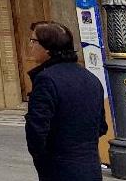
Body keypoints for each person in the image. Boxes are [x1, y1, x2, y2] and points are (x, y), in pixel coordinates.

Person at [25, 21, 108, 181]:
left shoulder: (46, 80)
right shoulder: (91, 78)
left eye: (33, 41)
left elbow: (36, 131)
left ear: (47, 48)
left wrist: (43, 159)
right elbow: (101, 126)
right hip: (90, 167)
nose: (30, 46)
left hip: (59, 168)